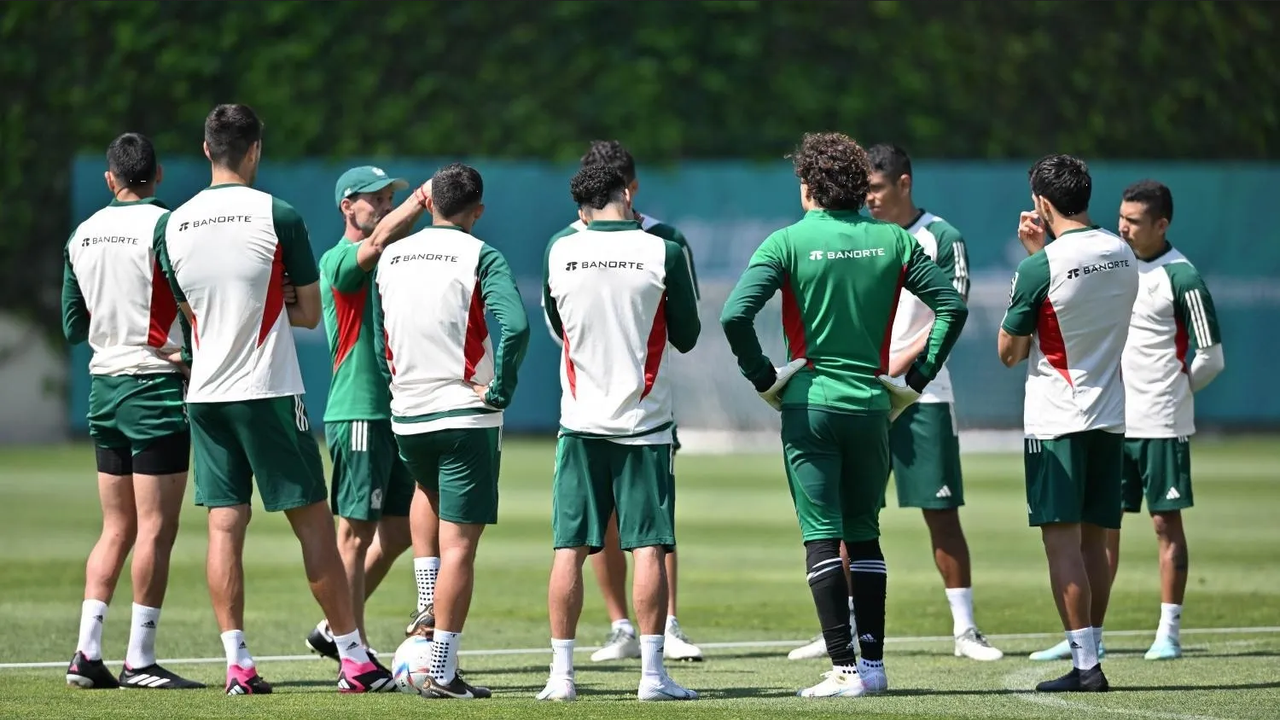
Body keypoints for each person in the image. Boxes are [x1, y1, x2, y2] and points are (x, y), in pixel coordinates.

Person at [156, 103, 393, 694]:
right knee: (313, 525)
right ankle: (354, 658)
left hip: (205, 394)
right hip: (267, 389)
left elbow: (187, 311)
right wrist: (275, 293)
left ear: (206, 148)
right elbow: (310, 313)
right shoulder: (277, 214)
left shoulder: (172, 225)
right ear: (256, 149)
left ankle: (237, 664)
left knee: (224, 526)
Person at [721, 132, 968, 698]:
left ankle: (844, 669)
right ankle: (873, 667)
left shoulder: (787, 241)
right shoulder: (893, 239)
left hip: (810, 405)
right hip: (872, 406)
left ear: (809, 186)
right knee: (864, 534)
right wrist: (919, 378)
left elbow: (735, 315)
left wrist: (762, 376)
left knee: (821, 536)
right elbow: (951, 306)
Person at [1029, 180, 1225, 663]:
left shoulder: (1181, 276)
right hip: (1112, 420)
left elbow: (1211, 357)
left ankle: (1168, 632)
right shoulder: (1114, 262)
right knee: (1101, 529)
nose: (1123, 227)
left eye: (1134, 221)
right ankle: (1088, 636)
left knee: (1164, 523)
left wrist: (1176, 392)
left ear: (1162, 225)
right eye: (1120, 217)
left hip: (1160, 422)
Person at [536, 164, 701, 702]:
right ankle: (652, 677)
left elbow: (558, 327)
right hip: (644, 423)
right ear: (627, 196)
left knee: (568, 547)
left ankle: (561, 677)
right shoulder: (663, 250)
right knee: (648, 547)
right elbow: (688, 336)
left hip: (579, 422)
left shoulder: (559, 250)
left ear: (581, 209)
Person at [372, 162, 530, 699]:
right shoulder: (482, 254)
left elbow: (381, 335)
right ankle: (441, 670)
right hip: (464, 413)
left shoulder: (391, 254)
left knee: (424, 489)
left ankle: (425, 599)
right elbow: (516, 327)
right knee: (460, 545)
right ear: (476, 211)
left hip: (408, 413)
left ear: (430, 202)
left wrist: (398, 386)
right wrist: (502, 388)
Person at [61, 133, 202, 690]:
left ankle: (86, 653)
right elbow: (195, 305)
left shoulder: (81, 234)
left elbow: (74, 326)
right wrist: (186, 352)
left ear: (109, 178)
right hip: (155, 390)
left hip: (105, 390)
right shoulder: (168, 225)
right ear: (158, 174)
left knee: (115, 528)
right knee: (156, 530)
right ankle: (139, 660)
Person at [998, 154, 1139, 692]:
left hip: (1056, 419)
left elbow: (1010, 352)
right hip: (1111, 415)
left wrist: (1035, 260)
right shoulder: (1122, 251)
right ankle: (1092, 654)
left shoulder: (1040, 268)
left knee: (1062, 544)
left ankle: (1085, 666)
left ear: (1042, 202)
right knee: (1096, 541)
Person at [303, 166, 444, 666]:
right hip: (359, 410)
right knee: (355, 534)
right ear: (347, 206)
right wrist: (421, 199)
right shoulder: (340, 258)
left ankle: (334, 626)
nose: (384, 206)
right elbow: (379, 240)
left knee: (401, 528)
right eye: (376, 198)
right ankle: (353, 652)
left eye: (389, 198)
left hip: (394, 412)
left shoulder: (387, 261)